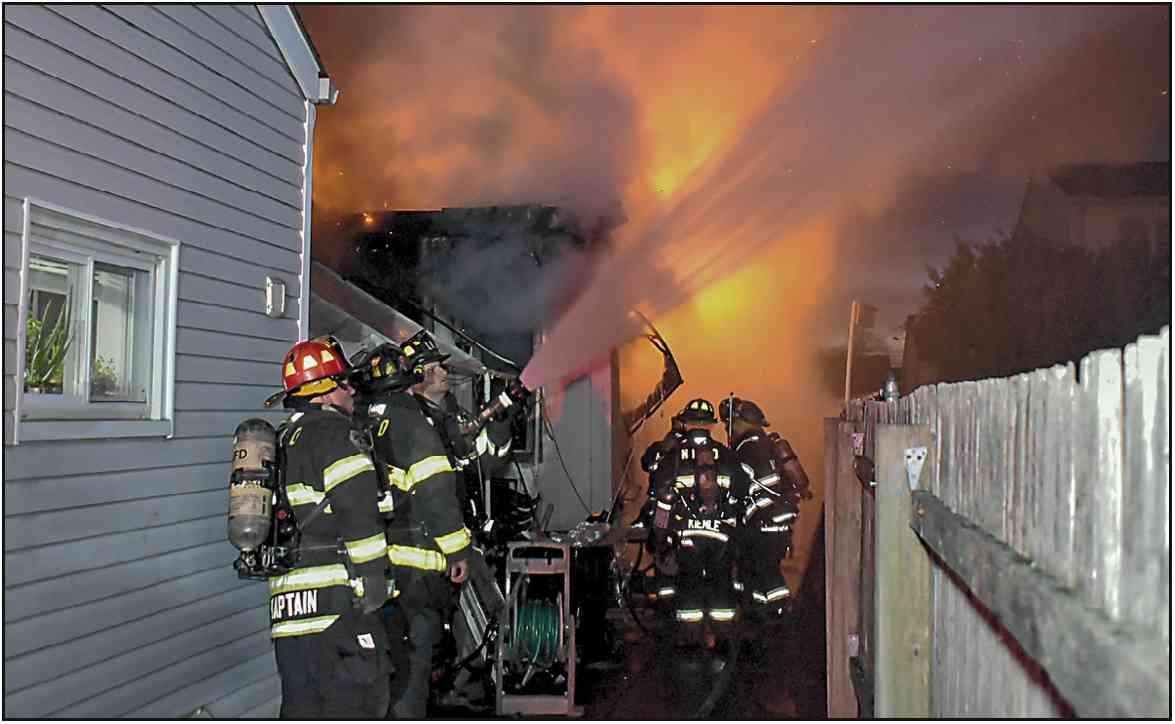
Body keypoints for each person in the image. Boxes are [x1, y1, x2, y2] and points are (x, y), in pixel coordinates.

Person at [265, 336, 393, 719]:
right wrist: (373, 579)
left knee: (302, 708)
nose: (352, 391)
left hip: (287, 612)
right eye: (344, 383)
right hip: (338, 606)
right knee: (360, 704)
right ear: (323, 391)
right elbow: (359, 513)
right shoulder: (337, 435)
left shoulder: (280, 441)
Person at [349, 338, 475, 719]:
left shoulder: (358, 421)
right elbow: (436, 491)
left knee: (377, 668)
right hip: (415, 572)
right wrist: (457, 551)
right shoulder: (412, 422)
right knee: (411, 670)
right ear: (410, 379)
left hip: (368, 571)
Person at [650, 398, 749, 645]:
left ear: (686, 423)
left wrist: (660, 537)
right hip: (721, 535)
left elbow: (662, 498)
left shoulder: (673, 457)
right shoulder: (726, 455)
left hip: (687, 536)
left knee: (690, 585)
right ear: (711, 425)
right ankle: (723, 638)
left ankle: (690, 639)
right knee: (721, 584)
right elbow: (741, 492)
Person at [719, 396, 812, 616]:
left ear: (740, 423)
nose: (727, 429)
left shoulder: (745, 450)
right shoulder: (769, 445)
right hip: (779, 523)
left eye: (730, 423)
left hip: (761, 523)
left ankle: (781, 612)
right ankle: (763, 615)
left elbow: (738, 489)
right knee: (760, 571)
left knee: (765, 573)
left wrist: (726, 512)